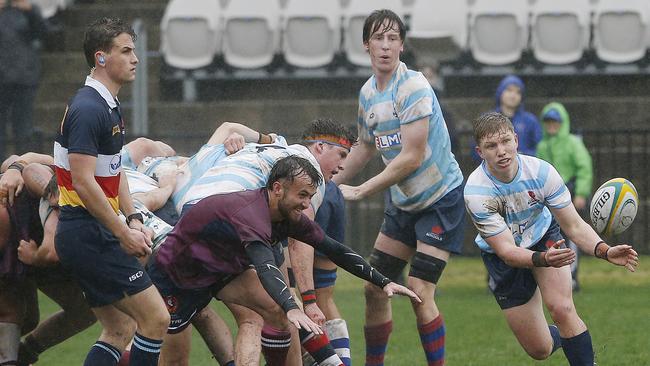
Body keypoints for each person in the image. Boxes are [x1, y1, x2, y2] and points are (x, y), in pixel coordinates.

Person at [148, 155, 421, 366]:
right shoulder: (251, 213)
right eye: (302, 195)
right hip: (176, 275)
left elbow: (334, 249)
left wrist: (382, 281)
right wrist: (292, 304)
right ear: (277, 188)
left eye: (310, 197)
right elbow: (265, 264)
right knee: (169, 358)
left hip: (220, 272)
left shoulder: (288, 215)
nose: (306, 204)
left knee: (277, 313)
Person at [333, 9, 466, 366]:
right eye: (379, 38)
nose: (386, 46)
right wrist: (327, 183)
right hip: (404, 205)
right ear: (366, 45)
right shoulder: (367, 94)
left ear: (402, 46)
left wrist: (360, 191)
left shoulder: (414, 87)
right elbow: (363, 145)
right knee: (374, 289)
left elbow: (412, 156)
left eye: (393, 39)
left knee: (420, 292)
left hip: (440, 200)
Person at [464, 112, 638, 365]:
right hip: (505, 259)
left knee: (562, 309)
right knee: (539, 349)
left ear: (516, 139)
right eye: (491, 146)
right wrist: (543, 259)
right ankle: (563, 338)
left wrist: (604, 250)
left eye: (505, 141)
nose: (501, 151)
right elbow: (506, 251)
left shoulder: (541, 172)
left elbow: (574, 226)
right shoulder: (477, 192)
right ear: (480, 152)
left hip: (544, 237)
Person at [53, 17, 169, 366]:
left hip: (88, 231)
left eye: (134, 50)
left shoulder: (106, 104)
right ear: (101, 58)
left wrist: (133, 217)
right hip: (87, 232)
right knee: (156, 319)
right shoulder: (90, 109)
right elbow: (85, 183)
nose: (136, 58)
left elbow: (114, 171)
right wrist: (123, 232)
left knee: (119, 329)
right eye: (126, 51)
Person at [537, 102, 593, 292]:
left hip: (570, 193)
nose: (552, 125)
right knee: (555, 237)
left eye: (555, 121)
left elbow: (584, 168)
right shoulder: (543, 146)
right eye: (548, 121)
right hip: (549, 199)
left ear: (563, 122)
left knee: (573, 235)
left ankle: (572, 275)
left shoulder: (572, 143)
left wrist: (581, 193)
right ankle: (558, 276)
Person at [0, 0, 48, 158]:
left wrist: (30, 11)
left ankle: (22, 166)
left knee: (23, 127)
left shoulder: (28, 10)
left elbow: (44, 33)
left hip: (25, 77)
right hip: (3, 77)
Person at [470, 75, 542, 163]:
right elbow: (476, 149)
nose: (513, 95)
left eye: (518, 92)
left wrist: (521, 155)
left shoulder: (530, 121)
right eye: (509, 90)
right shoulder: (486, 120)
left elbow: (540, 149)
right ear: (500, 92)